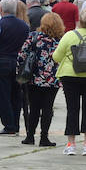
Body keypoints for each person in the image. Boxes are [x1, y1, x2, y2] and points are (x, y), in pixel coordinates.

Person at [53, 4, 86, 156]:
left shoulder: (69, 35)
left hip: (70, 75)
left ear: (80, 21)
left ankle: (71, 144)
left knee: (72, 108)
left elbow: (56, 56)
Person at [17, 11, 64, 146]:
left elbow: (21, 55)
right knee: (48, 108)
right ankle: (44, 137)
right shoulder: (60, 40)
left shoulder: (34, 37)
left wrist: (20, 73)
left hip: (33, 78)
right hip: (52, 79)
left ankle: (30, 136)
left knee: (34, 108)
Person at [0, 0, 29, 136]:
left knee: (3, 95)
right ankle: (15, 124)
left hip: (2, 63)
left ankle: (9, 125)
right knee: (16, 95)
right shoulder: (24, 26)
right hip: (19, 64)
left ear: (0, 9)